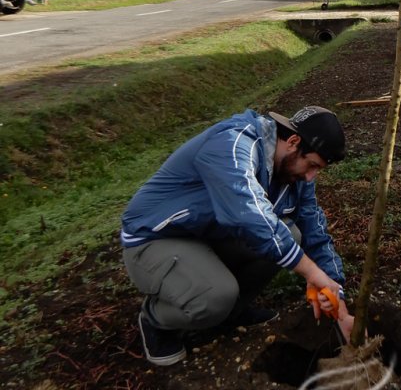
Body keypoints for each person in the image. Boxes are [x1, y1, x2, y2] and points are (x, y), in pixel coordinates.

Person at [121, 105, 353, 366]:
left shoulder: (295, 177)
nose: (311, 177)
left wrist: (338, 302)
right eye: (311, 165)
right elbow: (248, 214)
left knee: (291, 234)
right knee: (215, 296)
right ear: (293, 141)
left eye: (318, 169)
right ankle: (155, 320)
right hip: (155, 238)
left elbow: (315, 232)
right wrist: (311, 273)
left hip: (206, 236)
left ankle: (230, 313)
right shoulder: (233, 143)